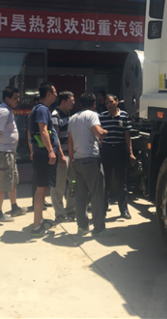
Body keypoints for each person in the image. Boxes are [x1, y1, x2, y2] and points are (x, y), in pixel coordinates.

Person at [68, 92, 110, 237]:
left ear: (80, 104)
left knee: (81, 196)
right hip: (91, 159)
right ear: (94, 104)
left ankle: (82, 227)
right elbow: (99, 132)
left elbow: (70, 141)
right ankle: (99, 228)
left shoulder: (73, 118)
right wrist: (105, 132)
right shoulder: (92, 115)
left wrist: (72, 159)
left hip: (78, 160)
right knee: (97, 194)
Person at [0, 86, 27, 222]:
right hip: (3, 153)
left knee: (12, 181)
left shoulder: (6, 110)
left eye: (18, 97)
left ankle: (14, 207)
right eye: (15, 98)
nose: (18, 100)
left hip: (9, 152)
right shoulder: (3, 112)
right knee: (2, 183)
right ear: (7, 98)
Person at [28, 83, 59, 237]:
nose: (56, 94)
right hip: (43, 155)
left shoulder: (39, 109)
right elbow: (43, 130)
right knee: (42, 189)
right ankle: (36, 227)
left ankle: (39, 220)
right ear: (48, 94)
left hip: (40, 154)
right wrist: (50, 151)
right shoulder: (42, 109)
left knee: (42, 188)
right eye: (55, 92)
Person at [99, 94, 136, 220]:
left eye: (111, 102)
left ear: (117, 101)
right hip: (106, 150)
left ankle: (124, 210)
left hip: (120, 150)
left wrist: (131, 153)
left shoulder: (124, 116)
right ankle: (103, 210)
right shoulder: (102, 117)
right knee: (106, 182)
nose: (109, 105)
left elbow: (127, 136)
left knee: (122, 182)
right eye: (106, 103)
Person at [51, 91, 76, 222]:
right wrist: (60, 155)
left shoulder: (69, 115)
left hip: (71, 156)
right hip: (62, 157)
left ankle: (71, 211)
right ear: (63, 101)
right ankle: (60, 214)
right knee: (58, 187)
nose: (74, 103)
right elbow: (55, 137)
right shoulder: (55, 116)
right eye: (71, 100)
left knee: (74, 183)